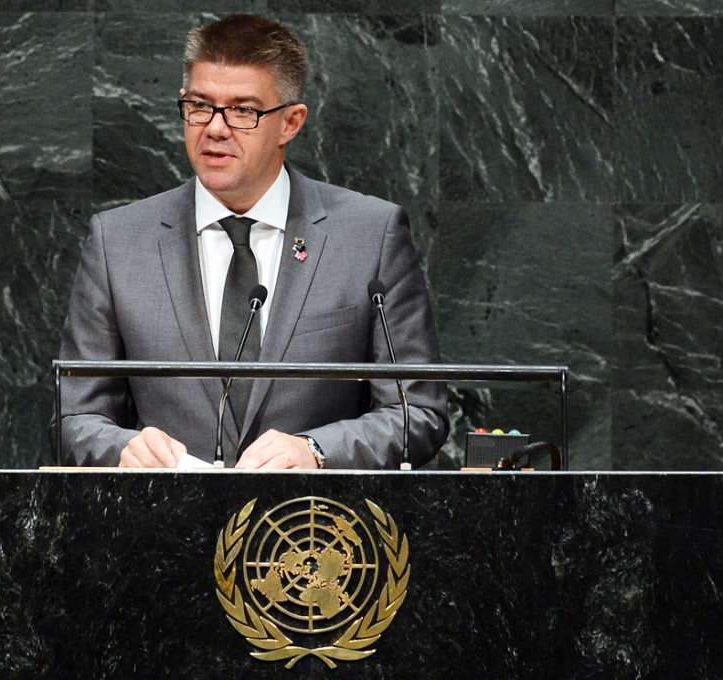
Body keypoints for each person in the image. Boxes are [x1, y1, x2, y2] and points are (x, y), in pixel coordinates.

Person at [54, 14, 448, 469]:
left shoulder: (370, 236)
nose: (216, 128)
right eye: (200, 106)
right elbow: (74, 417)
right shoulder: (118, 242)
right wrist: (121, 449)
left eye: (243, 110)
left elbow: (417, 412)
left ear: (290, 122)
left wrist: (317, 450)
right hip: (162, 527)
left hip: (312, 529)